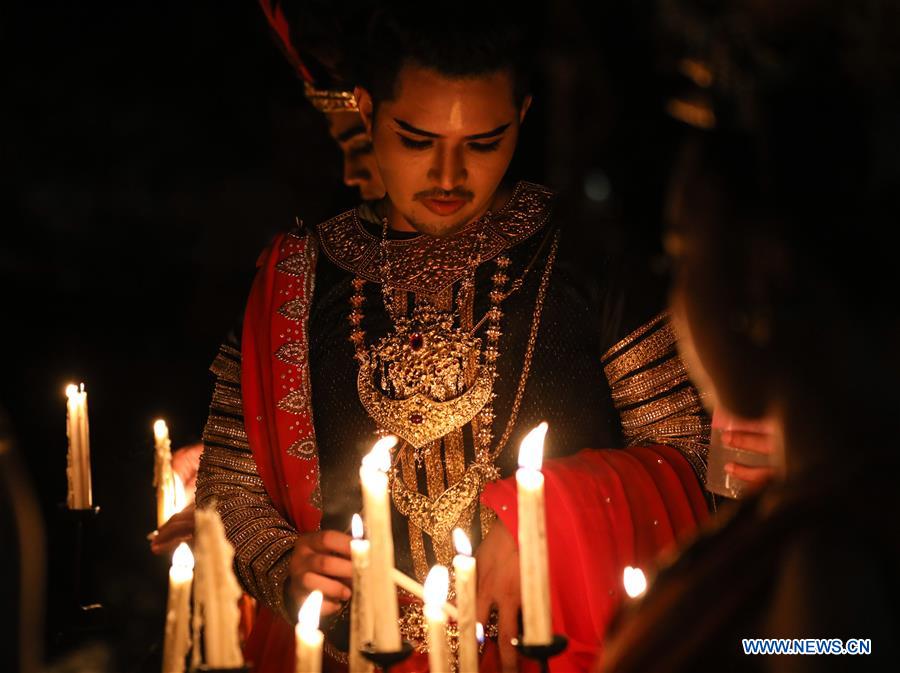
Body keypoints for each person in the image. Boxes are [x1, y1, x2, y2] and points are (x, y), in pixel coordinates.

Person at [196, 3, 709, 671]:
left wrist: (546, 520)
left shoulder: (585, 253)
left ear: (522, 117)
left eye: (483, 141)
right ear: (364, 108)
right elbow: (227, 487)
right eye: (416, 139)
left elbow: (687, 457)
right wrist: (280, 562)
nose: (447, 175)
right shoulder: (298, 276)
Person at [600, 1, 900, 670]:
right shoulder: (810, 502)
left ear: (764, 271)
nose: (676, 295)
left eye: (681, 254)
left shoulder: (831, 562)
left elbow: (831, 648)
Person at [150, 0, 385, 558]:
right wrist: (228, 483)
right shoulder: (301, 266)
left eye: (359, 144)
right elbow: (246, 459)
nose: (350, 172)